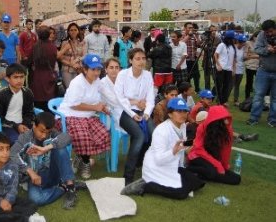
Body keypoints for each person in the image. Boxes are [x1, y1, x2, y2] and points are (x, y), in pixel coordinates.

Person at [121, 98, 205, 199]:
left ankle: (179, 182)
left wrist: (192, 144)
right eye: (178, 111)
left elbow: (181, 145)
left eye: (185, 111)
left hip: (171, 165)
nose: (183, 114)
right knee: (181, 193)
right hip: (156, 167)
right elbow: (159, 159)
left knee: (198, 182)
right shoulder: (161, 131)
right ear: (170, 114)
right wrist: (173, 151)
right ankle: (145, 186)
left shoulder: (182, 125)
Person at [10, 112, 82, 209]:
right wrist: (30, 171)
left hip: (53, 172)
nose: (44, 135)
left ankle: (70, 187)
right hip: (35, 177)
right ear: (34, 125)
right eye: (42, 131)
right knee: (36, 199)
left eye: (47, 132)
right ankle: (64, 187)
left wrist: (46, 148)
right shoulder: (25, 137)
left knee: (60, 148)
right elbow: (12, 154)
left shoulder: (52, 134)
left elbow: (67, 137)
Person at [58, 53, 111, 179]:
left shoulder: (97, 81)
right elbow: (73, 105)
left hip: (88, 116)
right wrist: (95, 107)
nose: (96, 73)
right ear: (85, 69)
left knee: (103, 134)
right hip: (70, 115)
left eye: (98, 69)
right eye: (93, 69)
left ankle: (78, 157)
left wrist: (104, 107)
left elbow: (108, 96)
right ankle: (86, 162)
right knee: (84, 136)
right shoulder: (77, 82)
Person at [114, 48, 155, 185]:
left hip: (143, 111)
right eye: (137, 58)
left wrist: (147, 113)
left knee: (153, 134)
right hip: (125, 112)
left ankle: (141, 162)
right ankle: (128, 176)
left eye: (143, 58)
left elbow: (150, 98)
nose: (141, 61)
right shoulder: (123, 75)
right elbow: (120, 98)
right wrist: (132, 114)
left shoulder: (148, 75)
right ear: (130, 60)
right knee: (139, 136)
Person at [187, 105, 241, 185]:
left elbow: (226, 150)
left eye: (226, 118)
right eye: (223, 119)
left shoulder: (227, 129)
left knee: (236, 179)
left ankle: (201, 174)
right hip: (197, 156)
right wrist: (218, 164)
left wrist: (224, 166)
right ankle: (188, 169)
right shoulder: (201, 127)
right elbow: (199, 149)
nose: (226, 121)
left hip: (211, 156)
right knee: (211, 172)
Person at [0, 63, 34, 144]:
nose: (19, 80)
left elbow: (29, 113)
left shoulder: (27, 93)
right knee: (17, 141)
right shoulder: (1, 95)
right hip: (7, 126)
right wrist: (16, 126)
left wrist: (25, 125)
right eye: (15, 77)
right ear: (7, 78)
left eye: (22, 77)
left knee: (39, 137)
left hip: (24, 124)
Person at [247, 20, 276, 126]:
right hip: (263, 70)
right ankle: (254, 118)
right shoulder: (261, 35)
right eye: (266, 32)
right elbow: (257, 49)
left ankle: (273, 120)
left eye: (271, 31)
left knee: (275, 98)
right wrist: (267, 50)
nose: (268, 33)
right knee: (258, 95)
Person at [31, 26, 57, 111]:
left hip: (37, 77)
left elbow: (31, 60)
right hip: (49, 75)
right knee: (49, 103)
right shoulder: (52, 47)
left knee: (38, 103)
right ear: (48, 34)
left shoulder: (35, 46)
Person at [58, 22, 86, 89]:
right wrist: (71, 64)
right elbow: (60, 58)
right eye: (71, 30)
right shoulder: (65, 42)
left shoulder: (82, 42)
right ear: (68, 32)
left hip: (78, 69)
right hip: (67, 70)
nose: (73, 32)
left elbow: (84, 55)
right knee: (69, 89)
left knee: (78, 89)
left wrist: (77, 60)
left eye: (75, 30)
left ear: (78, 31)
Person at [214, 30, 236, 106]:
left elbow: (233, 59)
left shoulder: (232, 47)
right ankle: (218, 100)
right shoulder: (222, 45)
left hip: (229, 69)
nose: (234, 40)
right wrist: (219, 65)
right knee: (219, 85)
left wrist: (233, 69)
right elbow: (215, 55)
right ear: (229, 38)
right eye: (233, 38)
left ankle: (223, 101)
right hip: (221, 68)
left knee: (226, 86)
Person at [201, 25, 221, 90]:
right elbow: (203, 47)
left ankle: (215, 93)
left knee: (216, 79)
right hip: (206, 62)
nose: (213, 32)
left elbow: (219, 51)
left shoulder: (218, 39)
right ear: (209, 31)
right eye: (212, 30)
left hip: (215, 62)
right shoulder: (205, 39)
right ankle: (207, 94)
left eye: (215, 30)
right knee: (207, 81)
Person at [183, 22, 201, 92]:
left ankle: (197, 89)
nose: (191, 29)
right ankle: (188, 90)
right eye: (189, 28)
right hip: (185, 60)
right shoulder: (182, 35)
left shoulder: (194, 36)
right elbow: (182, 43)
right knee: (187, 76)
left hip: (194, 59)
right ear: (185, 29)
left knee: (197, 75)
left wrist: (197, 36)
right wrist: (189, 36)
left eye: (192, 28)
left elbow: (199, 45)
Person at [19, 19, 37, 83]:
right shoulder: (22, 35)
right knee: (22, 74)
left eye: (31, 24)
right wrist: (23, 56)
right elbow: (20, 46)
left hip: (32, 58)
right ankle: (22, 88)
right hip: (25, 58)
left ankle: (31, 89)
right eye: (29, 24)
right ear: (26, 25)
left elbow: (35, 46)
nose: (30, 25)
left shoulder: (34, 35)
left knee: (32, 75)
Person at [243, 31, 259, 99]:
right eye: (257, 36)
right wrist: (256, 56)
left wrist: (252, 55)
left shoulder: (260, 44)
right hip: (249, 66)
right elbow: (245, 56)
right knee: (249, 83)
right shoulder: (248, 43)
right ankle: (247, 98)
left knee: (259, 83)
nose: (258, 38)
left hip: (258, 66)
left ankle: (258, 98)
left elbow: (262, 55)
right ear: (254, 36)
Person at [233, 34, 247, 106]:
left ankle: (236, 100)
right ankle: (223, 99)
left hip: (241, 70)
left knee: (237, 85)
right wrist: (233, 70)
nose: (244, 43)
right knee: (230, 85)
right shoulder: (233, 48)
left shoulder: (244, 49)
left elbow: (244, 59)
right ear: (239, 41)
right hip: (233, 70)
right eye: (243, 42)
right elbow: (232, 60)